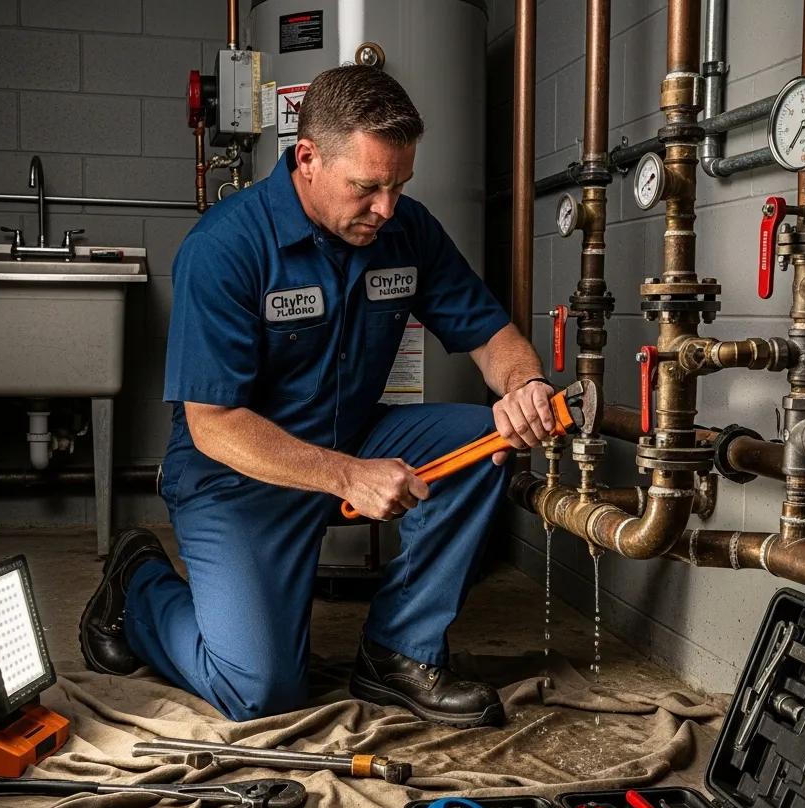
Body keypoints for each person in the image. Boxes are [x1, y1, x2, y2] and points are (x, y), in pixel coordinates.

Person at [79, 65, 556, 728]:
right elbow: (214, 424)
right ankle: (137, 587)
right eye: (367, 187)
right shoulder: (225, 248)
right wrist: (346, 474)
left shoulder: (404, 231)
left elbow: (490, 334)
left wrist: (523, 384)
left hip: (352, 438)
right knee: (259, 692)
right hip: (235, 473)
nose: (387, 208)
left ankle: (399, 653)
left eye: (399, 185)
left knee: (482, 441)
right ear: (308, 158)